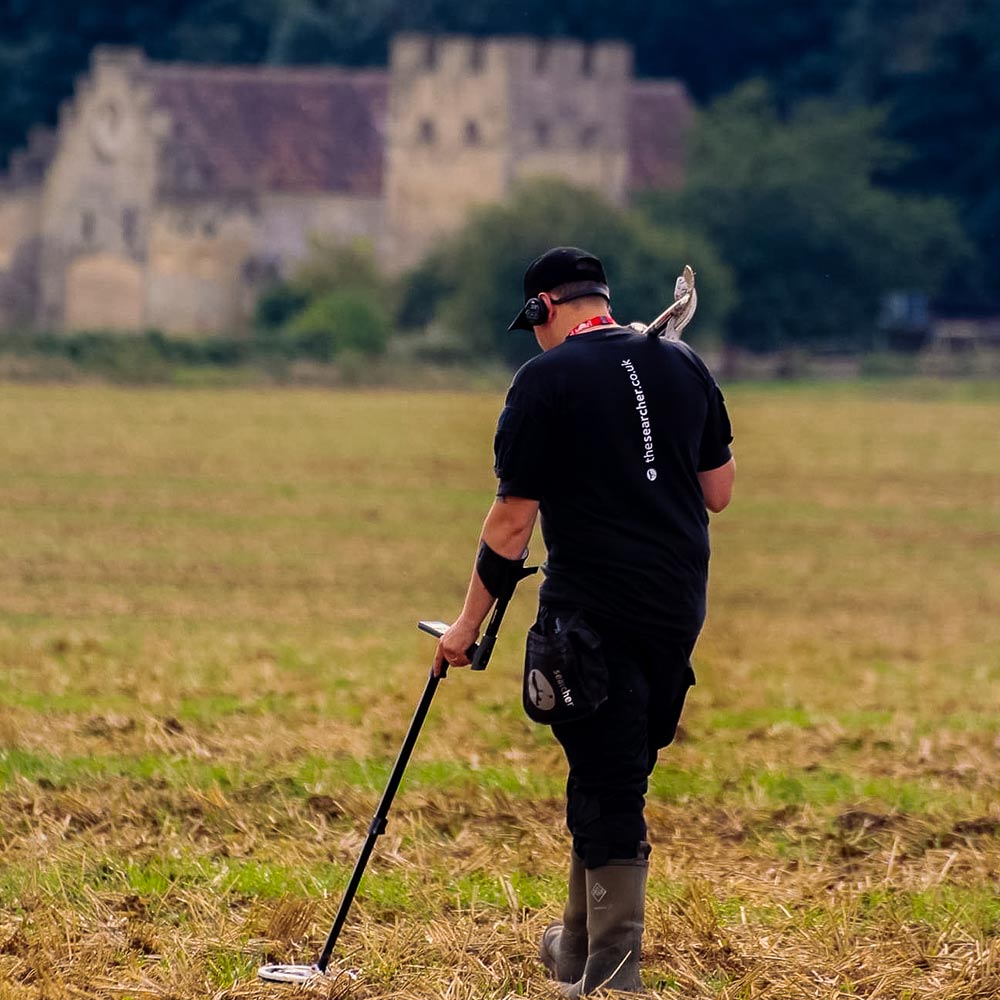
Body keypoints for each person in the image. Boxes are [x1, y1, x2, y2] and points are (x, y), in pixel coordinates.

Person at [433, 247, 734, 996]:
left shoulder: (546, 377)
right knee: (614, 767)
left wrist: (465, 626)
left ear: (542, 308)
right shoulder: (682, 361)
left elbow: (511, 524)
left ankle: (614, 977)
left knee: (608, 781)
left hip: (592, 609)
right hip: (676, 605)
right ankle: (577, 947)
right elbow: (719, 490)